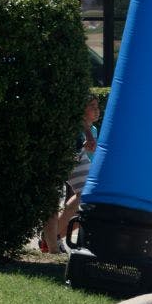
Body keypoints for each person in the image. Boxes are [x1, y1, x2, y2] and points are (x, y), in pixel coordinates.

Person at [41, 94, 100, 253]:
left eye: (97, 106)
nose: (96, 110)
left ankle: (53, 237)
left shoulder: (93, 129)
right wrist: (87, 136)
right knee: (52, 202)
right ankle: (52, 246)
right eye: (92, 106)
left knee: (90, 194)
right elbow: (82, 125)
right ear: (81, 109)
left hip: (77, 157)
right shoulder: (76, 123)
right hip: (60, 157)